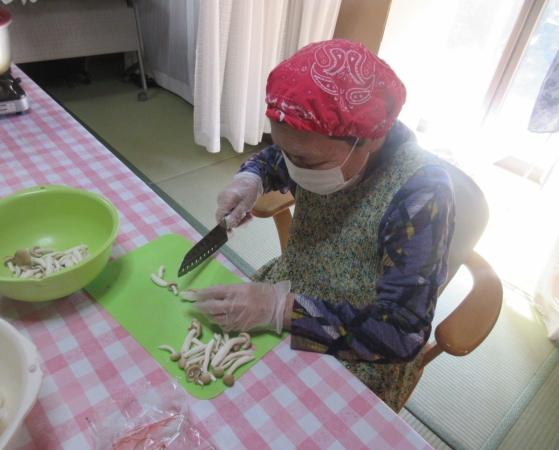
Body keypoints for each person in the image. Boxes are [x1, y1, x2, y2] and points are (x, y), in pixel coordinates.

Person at [192, 39, 455, 412]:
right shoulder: (317, 146)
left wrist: (280, 310)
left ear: (370, 140)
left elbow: (402, 333)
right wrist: (251, 178)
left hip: (360, 338)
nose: (292, 167)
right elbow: (282, 157)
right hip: (292, 281)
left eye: (307, 162)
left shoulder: (422, 194)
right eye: (286, 151)